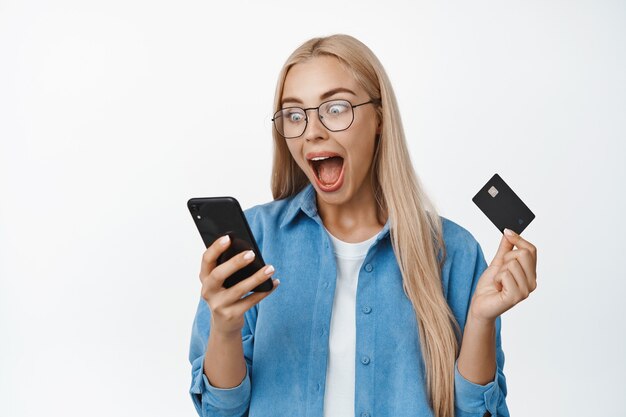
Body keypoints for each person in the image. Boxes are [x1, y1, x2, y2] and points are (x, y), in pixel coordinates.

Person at [188, 34, 538, 417]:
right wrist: (224, 327)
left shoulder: (453, 251)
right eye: (294, 114)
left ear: (379, 118)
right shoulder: (259, 239)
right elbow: (221, 413)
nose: (311, 130)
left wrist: (481, 320)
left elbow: (477, 413)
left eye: (335, 108)